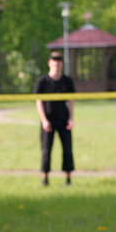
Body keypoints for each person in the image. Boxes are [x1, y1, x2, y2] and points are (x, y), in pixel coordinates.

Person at [34, 51, 75, 186]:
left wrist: (71, 118)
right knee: (46, 149)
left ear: (62, 63)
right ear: (49, 63)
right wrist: (44, 120)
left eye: (59, 60)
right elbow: (38, 101)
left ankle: (68, 178)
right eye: (54, 60)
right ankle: (45, 178)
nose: (56, 63)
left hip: (63, 119)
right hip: (48, 120)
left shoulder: (67, 81)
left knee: (67, 149)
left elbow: (70, 100)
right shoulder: (43, 81)